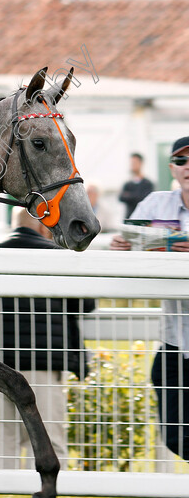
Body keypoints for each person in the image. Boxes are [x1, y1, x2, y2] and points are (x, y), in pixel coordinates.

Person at [0, 208, 95, 469]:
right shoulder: (56, 255)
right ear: (44, 228)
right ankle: (47, 495)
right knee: (47, 438)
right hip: (43, 360)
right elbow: (86, 303)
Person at [110, 136, 189, 461]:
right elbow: (132, 247)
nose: (188, 167)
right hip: (175, 342)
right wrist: (121, 248)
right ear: (171, 167)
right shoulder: (157, 204)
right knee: (175, 438)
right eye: (181, 161)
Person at [119, 153, 154, 219]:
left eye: (135, 163)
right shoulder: (128, 184)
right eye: (131, 163)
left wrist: (129, 195)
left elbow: (146, 199)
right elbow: (121, 197)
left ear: (141, 163)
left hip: (143, 219)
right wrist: (137, 195)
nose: (132, 165)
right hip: (129, 218)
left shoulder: (147, 183)